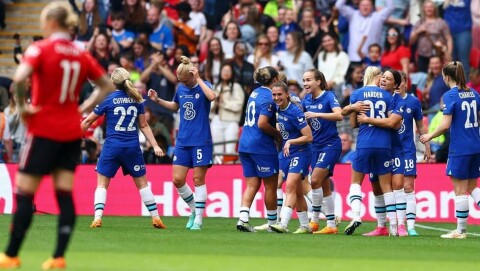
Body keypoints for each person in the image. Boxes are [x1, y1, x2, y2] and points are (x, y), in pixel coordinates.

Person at [0, 2, 114, 269]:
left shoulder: (40, 48)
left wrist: (25, 108)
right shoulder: (80, 54)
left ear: (51, 23)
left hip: (43, 130)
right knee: (64, 195)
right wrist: (82, 108)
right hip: (70, 132)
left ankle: (11, 255)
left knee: (25, 194)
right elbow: (106, 85)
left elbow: (18, 80)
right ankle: (58, 257)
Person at [81, 67, 167, 229]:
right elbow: (144, 125)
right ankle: (156, 218)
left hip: (112, 147)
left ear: (113, 82)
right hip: (131, 148)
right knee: (142, 184)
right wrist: (155, 145)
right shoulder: (137, 99)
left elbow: (87, 122)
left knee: (102, 185)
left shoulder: (108, 99)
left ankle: (97, 218)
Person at [148, 56, 216, 230]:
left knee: (198, 179)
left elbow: (212, 96)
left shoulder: (204, 85)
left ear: (192, 76)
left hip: (201, 140)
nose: (183, 84)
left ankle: (199, 220)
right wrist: (158, 100)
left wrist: (199, 78)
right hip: (183, 140)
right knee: (177, 180)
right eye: (181, 81)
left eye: (186, 80)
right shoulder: (180, 88)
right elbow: (175, 106)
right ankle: (194, 210)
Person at [420, 61, 480, 239]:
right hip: (476, 146)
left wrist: (429, 136)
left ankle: (460, 231)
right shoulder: (475, 94)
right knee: (472, 187)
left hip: (460, 148)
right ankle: (460, 230)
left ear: (446, 77)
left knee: (460, 190)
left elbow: (445, 125)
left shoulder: (450, 96)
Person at [340, 66, 394, 235]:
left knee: (356, 183)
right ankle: (392, 227)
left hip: (364, 143)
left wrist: (356, 112)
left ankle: (356, 216)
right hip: (384, 143)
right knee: (386, 187)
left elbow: (353, 124)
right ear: (377, 77)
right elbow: (392, 121)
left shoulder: (356, 94)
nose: (383, 80)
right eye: (382, 77)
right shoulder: (387, 95)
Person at [356, 69, 405, 236]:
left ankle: (400, 225)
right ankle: (381, 227)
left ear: (396, 85)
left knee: (396, 186)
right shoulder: (377, 96)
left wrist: (368, 119)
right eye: (383, 77)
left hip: (395, 148)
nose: (383, 80)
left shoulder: (398, 100)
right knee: (376, 187)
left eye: (388, 79)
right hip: (380, 146)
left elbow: (394, 123)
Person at [236, 66, 281, 232]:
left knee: (252, 184)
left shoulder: (254, 93)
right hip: (260, 145)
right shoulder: (269, 97)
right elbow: (262, 124)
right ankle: (272, 223)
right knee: (270, 185)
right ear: (274, 79)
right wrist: (278, 135)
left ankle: (242, 219)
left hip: (245, 143)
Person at [300, 69, 344, 234]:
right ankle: (331, 225)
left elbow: (339, 116)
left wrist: (317, 114)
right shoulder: (306, 99)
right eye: (303, 80)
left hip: (330, 144)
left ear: (318, 81)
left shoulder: (329, 96)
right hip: (315, 147)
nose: (305, 83)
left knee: (315, 180)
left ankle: (314, 221)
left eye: (308, 80)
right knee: (325, 187)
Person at [269, 82, 313, 234]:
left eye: (279, 94)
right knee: (298, 191)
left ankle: (283, 223)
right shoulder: (276, 108)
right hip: (287, 153)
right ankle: (305, 225)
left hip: (301, 152)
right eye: (274, 95)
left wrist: (290, 141)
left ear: (287, 94)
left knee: (290, 186)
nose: (276, 98)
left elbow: (309, 136)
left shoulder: (295, 112)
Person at [396, 71, 431, 236]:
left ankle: (410, 226)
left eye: (399, 81)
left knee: (408, 187)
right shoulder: (388, 99)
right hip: (390, 150)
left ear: (405, 82)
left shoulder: (413, 101)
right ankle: (396, 224)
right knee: (394, 188)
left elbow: (421, 126)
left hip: (407, 150)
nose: (396, 84)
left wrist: (427, 146)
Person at [210, 62, 245, 164]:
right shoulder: (215, 86)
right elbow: (209, 105)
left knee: (230, 150)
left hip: (231, 121)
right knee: (217, 149)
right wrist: (215, 103)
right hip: (216, 120)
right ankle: (217, 172)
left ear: (232, 73)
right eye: (224, 70)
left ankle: (229, 173)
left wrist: (223, 102)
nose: (225, 73)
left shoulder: (236, 87)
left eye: (228, 71)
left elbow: (238, 105)